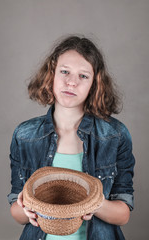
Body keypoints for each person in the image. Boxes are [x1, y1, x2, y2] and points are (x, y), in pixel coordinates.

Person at [7, 35, 135, 240]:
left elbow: (123, 214)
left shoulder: (115, 135)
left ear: (95, 83)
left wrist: (93, 201)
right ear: (51, 75)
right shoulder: (25, 135)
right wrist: (27, 207)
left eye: (83, 76)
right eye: (64, 71)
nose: (71, 82)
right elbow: (16, 211)